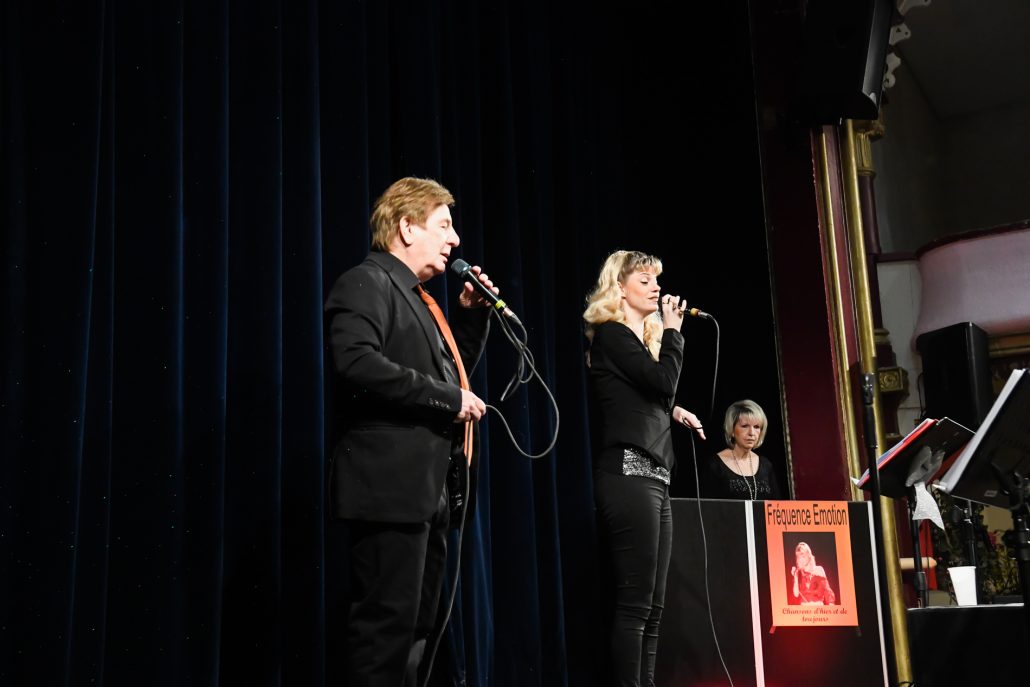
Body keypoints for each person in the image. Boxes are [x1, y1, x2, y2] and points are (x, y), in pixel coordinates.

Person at [324, 177, 498, 686]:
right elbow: (355, 364)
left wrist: (470, 320)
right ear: (405, 227)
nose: (455, 239)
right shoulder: (365, 281)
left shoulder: (422, 301)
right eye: (443, 226)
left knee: (418, 634)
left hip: (428, 494)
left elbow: (449, 377)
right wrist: (448, 399)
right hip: (389, 492)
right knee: (386, 635)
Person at [583, 250, 705, 687]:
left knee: (654, 607)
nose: (656, 287)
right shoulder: (612, 334)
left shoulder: (637, 344)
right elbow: (662, 382)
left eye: (657, 279)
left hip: (655, 475)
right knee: (635, 604)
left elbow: (651, 393)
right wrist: (674, 333)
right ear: (619, 288)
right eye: (645, 279)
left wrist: (673, 410)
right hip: (627, 473)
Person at [704, 399, 782, 501]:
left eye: (756, 427)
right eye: (745, 426)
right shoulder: (715, 465)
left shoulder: (766, 465)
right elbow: (707, 507)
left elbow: (777, 505)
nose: (751, 433)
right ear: (732, 430)